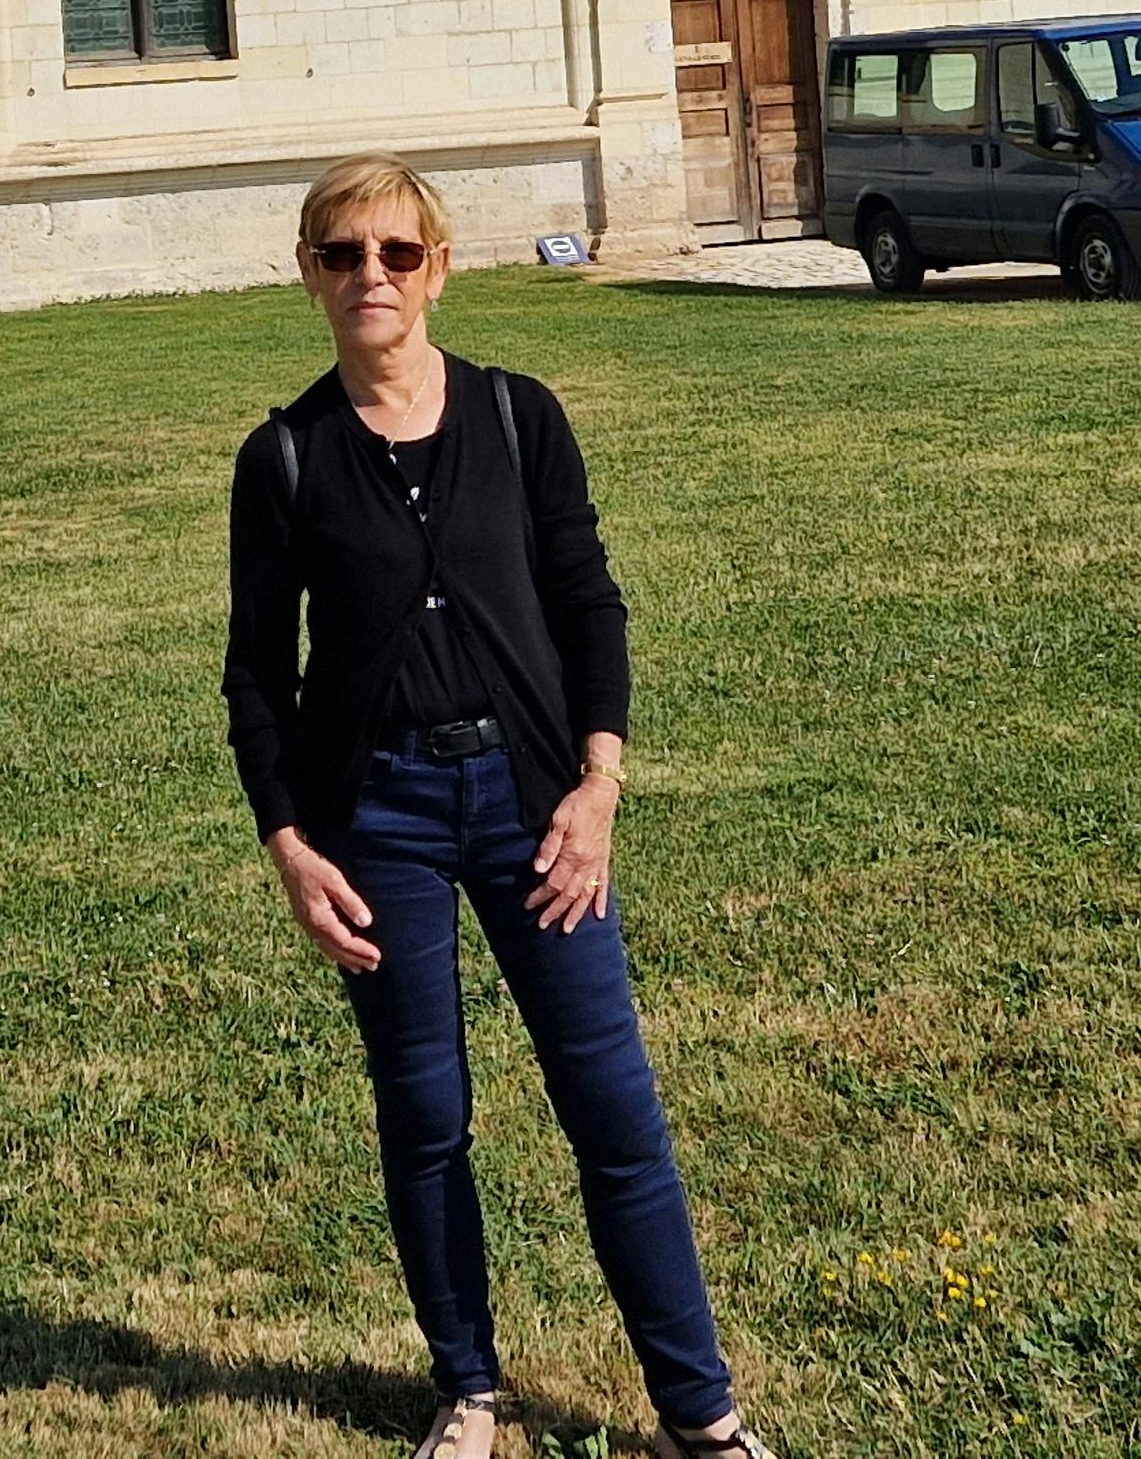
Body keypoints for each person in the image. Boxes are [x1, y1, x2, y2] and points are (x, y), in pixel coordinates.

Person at [224, 157, 778, 1459]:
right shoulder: (286, 457)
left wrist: (599, 784)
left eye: (395, 253)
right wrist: (291, 844)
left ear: (440, 267)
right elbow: (257, 674)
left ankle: (700, 1418)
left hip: (537, 813)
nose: (370, 275)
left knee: (614, 1112)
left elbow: (589, 603)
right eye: (343, 254)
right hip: (380, 822)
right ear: (308, 273)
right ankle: (467, 1392)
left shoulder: (520, 417)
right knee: (426, 1119)